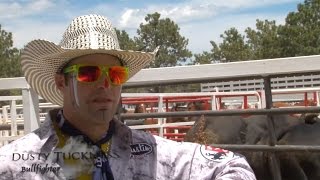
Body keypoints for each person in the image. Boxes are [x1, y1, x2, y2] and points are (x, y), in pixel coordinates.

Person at [0, 14, 256, 180]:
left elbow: (235, 167)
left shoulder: (151, 152)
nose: (105, 83)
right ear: (61, 82)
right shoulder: (15, 164)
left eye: (115, 73)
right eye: (89, 73)